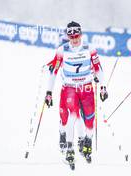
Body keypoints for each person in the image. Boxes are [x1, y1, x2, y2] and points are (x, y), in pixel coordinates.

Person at [44, 21, 108, 167]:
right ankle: (70, 148)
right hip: (70, 88)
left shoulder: (89, 48)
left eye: (77, 35)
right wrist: (49, 92)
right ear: (67, 36)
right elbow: (53, 72)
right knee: (73, 115)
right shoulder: (62, 50)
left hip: (86, 88)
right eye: (71, 36)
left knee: (90, 119)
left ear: (81, 34)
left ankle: (87, 142)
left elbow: (98, 68)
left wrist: (103, 87)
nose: (74, 39)